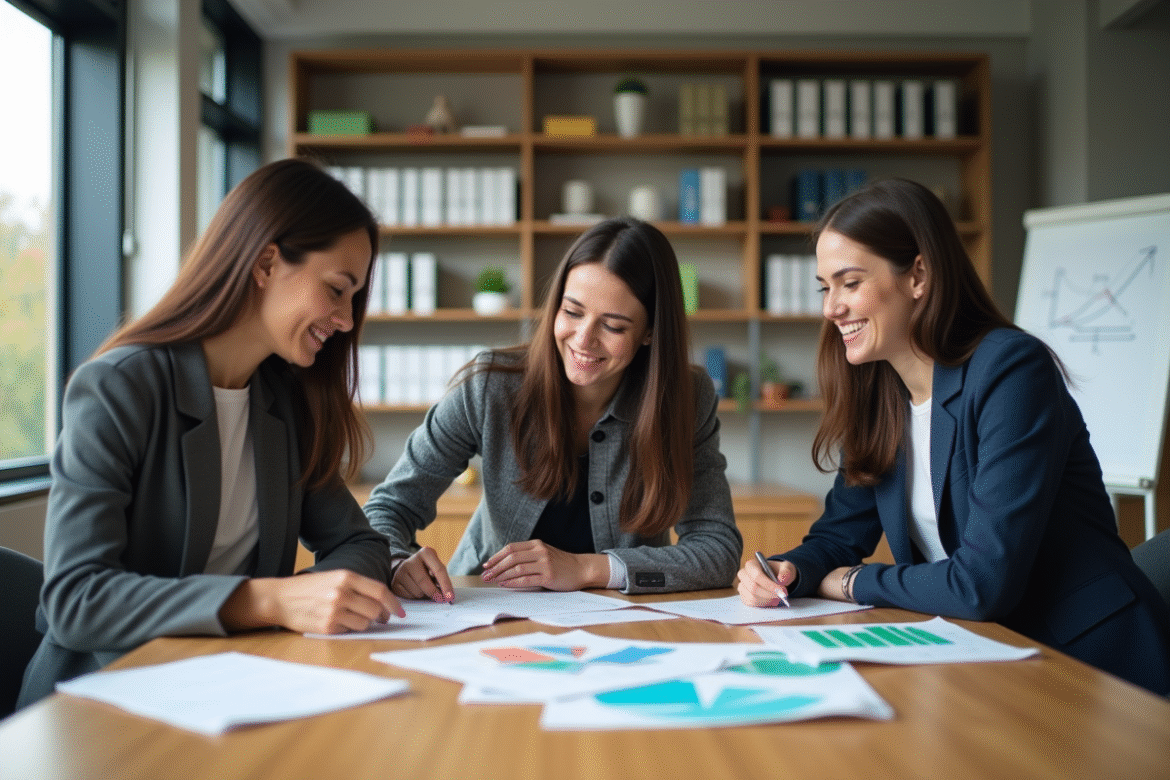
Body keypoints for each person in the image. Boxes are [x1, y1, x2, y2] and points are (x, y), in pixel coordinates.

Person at [737, 178, 1170, 695]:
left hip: (1095, 666)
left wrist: (850, 581)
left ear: (918, 275)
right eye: (824, 288)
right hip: (989, 657)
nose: (831, 309)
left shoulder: (1010, 371)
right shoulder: (880, 395)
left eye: (849, 283)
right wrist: (788, 571)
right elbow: (837, 537)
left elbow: (982, 583)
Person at [18, 159, 404, 708]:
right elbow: (76, 599)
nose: (345, 319)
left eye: (352, 299)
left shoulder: (285, 403)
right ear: (266, 263)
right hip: (100, 700)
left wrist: (326, 597)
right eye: (337, 290)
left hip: (230, 689)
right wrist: (267, 601)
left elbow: (360, 544)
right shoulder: (118, 387)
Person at [364, 217, 741, 598]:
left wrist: (586, 568)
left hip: (622, 617)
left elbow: (718, 550)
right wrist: (396, 562)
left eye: (613, 326)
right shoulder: (489, 387)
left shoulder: (686, 398)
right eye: (572, 312)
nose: (583, 339)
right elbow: (387, 509)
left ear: (650, 332)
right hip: (489, 607)